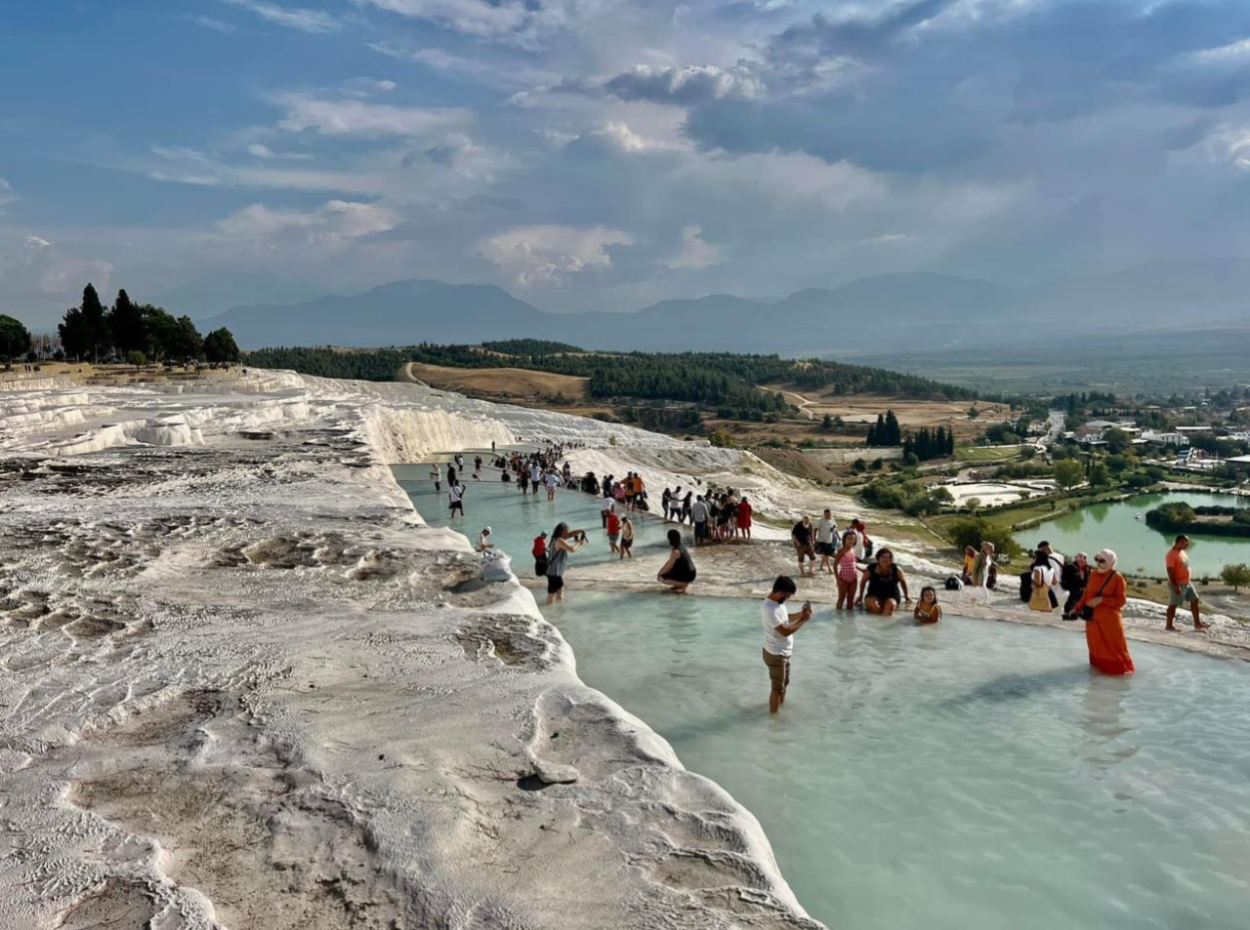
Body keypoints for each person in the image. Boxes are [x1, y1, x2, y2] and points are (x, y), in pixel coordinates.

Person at [1073, 549, 1134, 676]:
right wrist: (1077, 607)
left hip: (1109, 622)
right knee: (1095, 647)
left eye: (1102, 561)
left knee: (1114, 648)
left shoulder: (1117, 578)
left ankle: (1118, 678)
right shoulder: (1093, 575)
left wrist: (1102, 600)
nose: (1098, 563)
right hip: (1092, 620)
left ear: (1111, 562)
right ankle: (1098, 681)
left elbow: (1121, 601)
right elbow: (1086, 594)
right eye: (1097, 559)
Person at [761, 576, 813, 714]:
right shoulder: (769, 609)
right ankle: (774, 720)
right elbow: (785, 631)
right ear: (782, 592)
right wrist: (804, 621)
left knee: (784, 685)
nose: (788, 598)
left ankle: (780, 710)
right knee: (777, 689)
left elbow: (785, 618)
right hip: (776, 654)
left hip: (783, 653)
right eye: (788, 595)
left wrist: (800, 615)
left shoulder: (778, 603)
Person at [1165, 535, 1209, 631]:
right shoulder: (1171, 555)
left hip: (1187, 582)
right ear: (1179, 542)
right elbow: (1170, 572)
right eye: (1185, 542)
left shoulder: (1182, 552)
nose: (1187, 544)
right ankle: (1169, 626)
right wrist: (1175, 586)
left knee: (1195, 600)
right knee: (1173, 604)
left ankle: (1197, 624)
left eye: (1187, 542)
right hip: (1178, 583)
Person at [859, 548, 910, 616]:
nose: (885, 559)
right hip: (873, 595)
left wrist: (906, 596)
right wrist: (860, 596)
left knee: (890, 606)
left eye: (888, 557)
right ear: (878, 558)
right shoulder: (871, 569)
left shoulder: (896, 569)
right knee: (875, 606)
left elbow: (903, 582)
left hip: (891, 596)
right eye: (883, 557)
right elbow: (863, 582)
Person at [545, 522, 586, 604]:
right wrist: (579, 543)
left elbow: (569, 535)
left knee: (559, 589)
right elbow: (572, 549)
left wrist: (580, 531)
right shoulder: (559, 540)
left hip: (554, 571)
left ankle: (557, 608)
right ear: (561, 532)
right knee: (552, 593)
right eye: (566, 531)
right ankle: (549, 611)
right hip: (554, 572)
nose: (567, 533)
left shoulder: (556, 538)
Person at [657, 529, 697, 594]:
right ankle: (678, 585)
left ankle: (682, 584)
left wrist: (659, 574)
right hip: (692, 572)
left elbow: (669, 567)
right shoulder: (681, 547)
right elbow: (669, 562)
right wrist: (662, 570)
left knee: (661, 578)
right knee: (667, 572)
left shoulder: (675, 551)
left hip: (688, 575)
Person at [1061, 552, 1091, 620]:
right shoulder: (1070, 567)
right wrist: (1079, 577)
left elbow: (1086, 582)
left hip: (1081, 590)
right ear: (1076, 558)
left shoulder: (1087, 569)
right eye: (1080, 557)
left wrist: (1083, 577)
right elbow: (1066, 580)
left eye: (1084, 558)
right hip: (1071, 588)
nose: (1082, 559)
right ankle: (1068, 614)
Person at [834, 531, 860, 610]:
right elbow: (835, 565)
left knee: (851, 599)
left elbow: (854, 564)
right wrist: (838, 580)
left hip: (853, 579)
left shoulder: (853, 550)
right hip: (843, 579)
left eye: (853, 539)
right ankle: (838, 618)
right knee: (841, 598)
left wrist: (862, 570)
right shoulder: (841, 552)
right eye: (849, 539)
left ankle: (849, 619)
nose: (851, 541)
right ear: (844, 539)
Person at [815, 509, 838, 573]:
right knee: (826, 554)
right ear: (824, 514)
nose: (829, 515)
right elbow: (815, 529)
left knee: (826, 554)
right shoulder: (821, 520)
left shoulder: (832, 520)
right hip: (822, 540)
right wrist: (814, 539)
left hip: (829, 540)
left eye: (829, 514)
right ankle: (829, 569)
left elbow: (835, 528)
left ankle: (821, 566)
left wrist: (833, 529)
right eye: (827, 514)